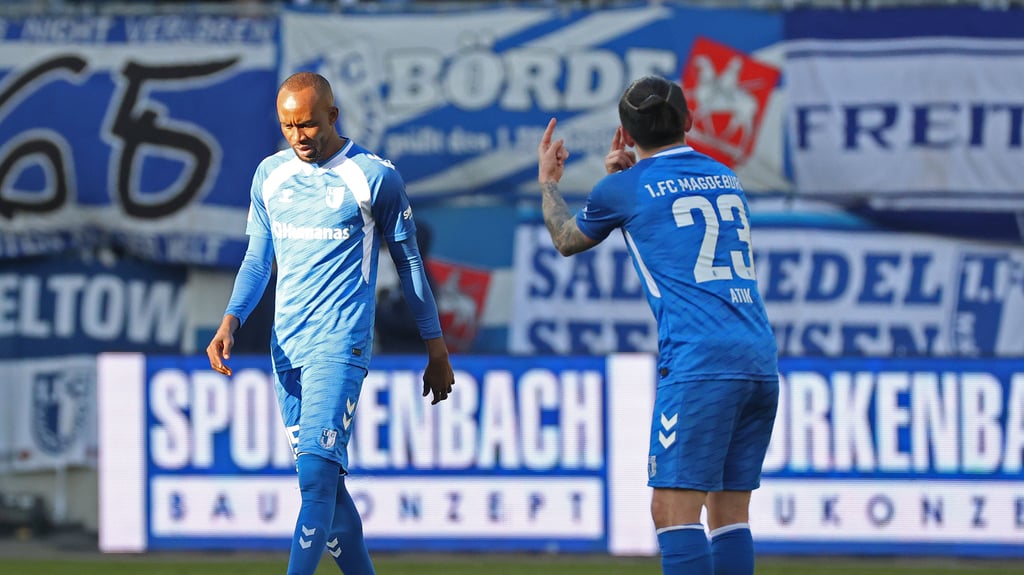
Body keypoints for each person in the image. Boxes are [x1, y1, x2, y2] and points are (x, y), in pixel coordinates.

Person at [206, 71, 454, 575]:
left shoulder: (373, 176)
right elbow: (258, 260)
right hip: (286, 349)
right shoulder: (269, 176)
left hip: (340, 343)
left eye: (309, 125)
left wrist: (436, 346)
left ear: (333, 117)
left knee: (315, 479)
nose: (299, 136)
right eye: (289, 126)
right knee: (332, 495)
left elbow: (409, 265)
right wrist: (231, 318)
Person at [536, 75, 779, 575]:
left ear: (624, 131)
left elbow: (566, 238)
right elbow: (664, 201)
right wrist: (629, 175)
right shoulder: (724, 176)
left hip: (700, 362)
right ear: (689, 122)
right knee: (730, 512)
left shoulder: (622, 189)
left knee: (672, 511)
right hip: (757, 357)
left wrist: (549, 182)